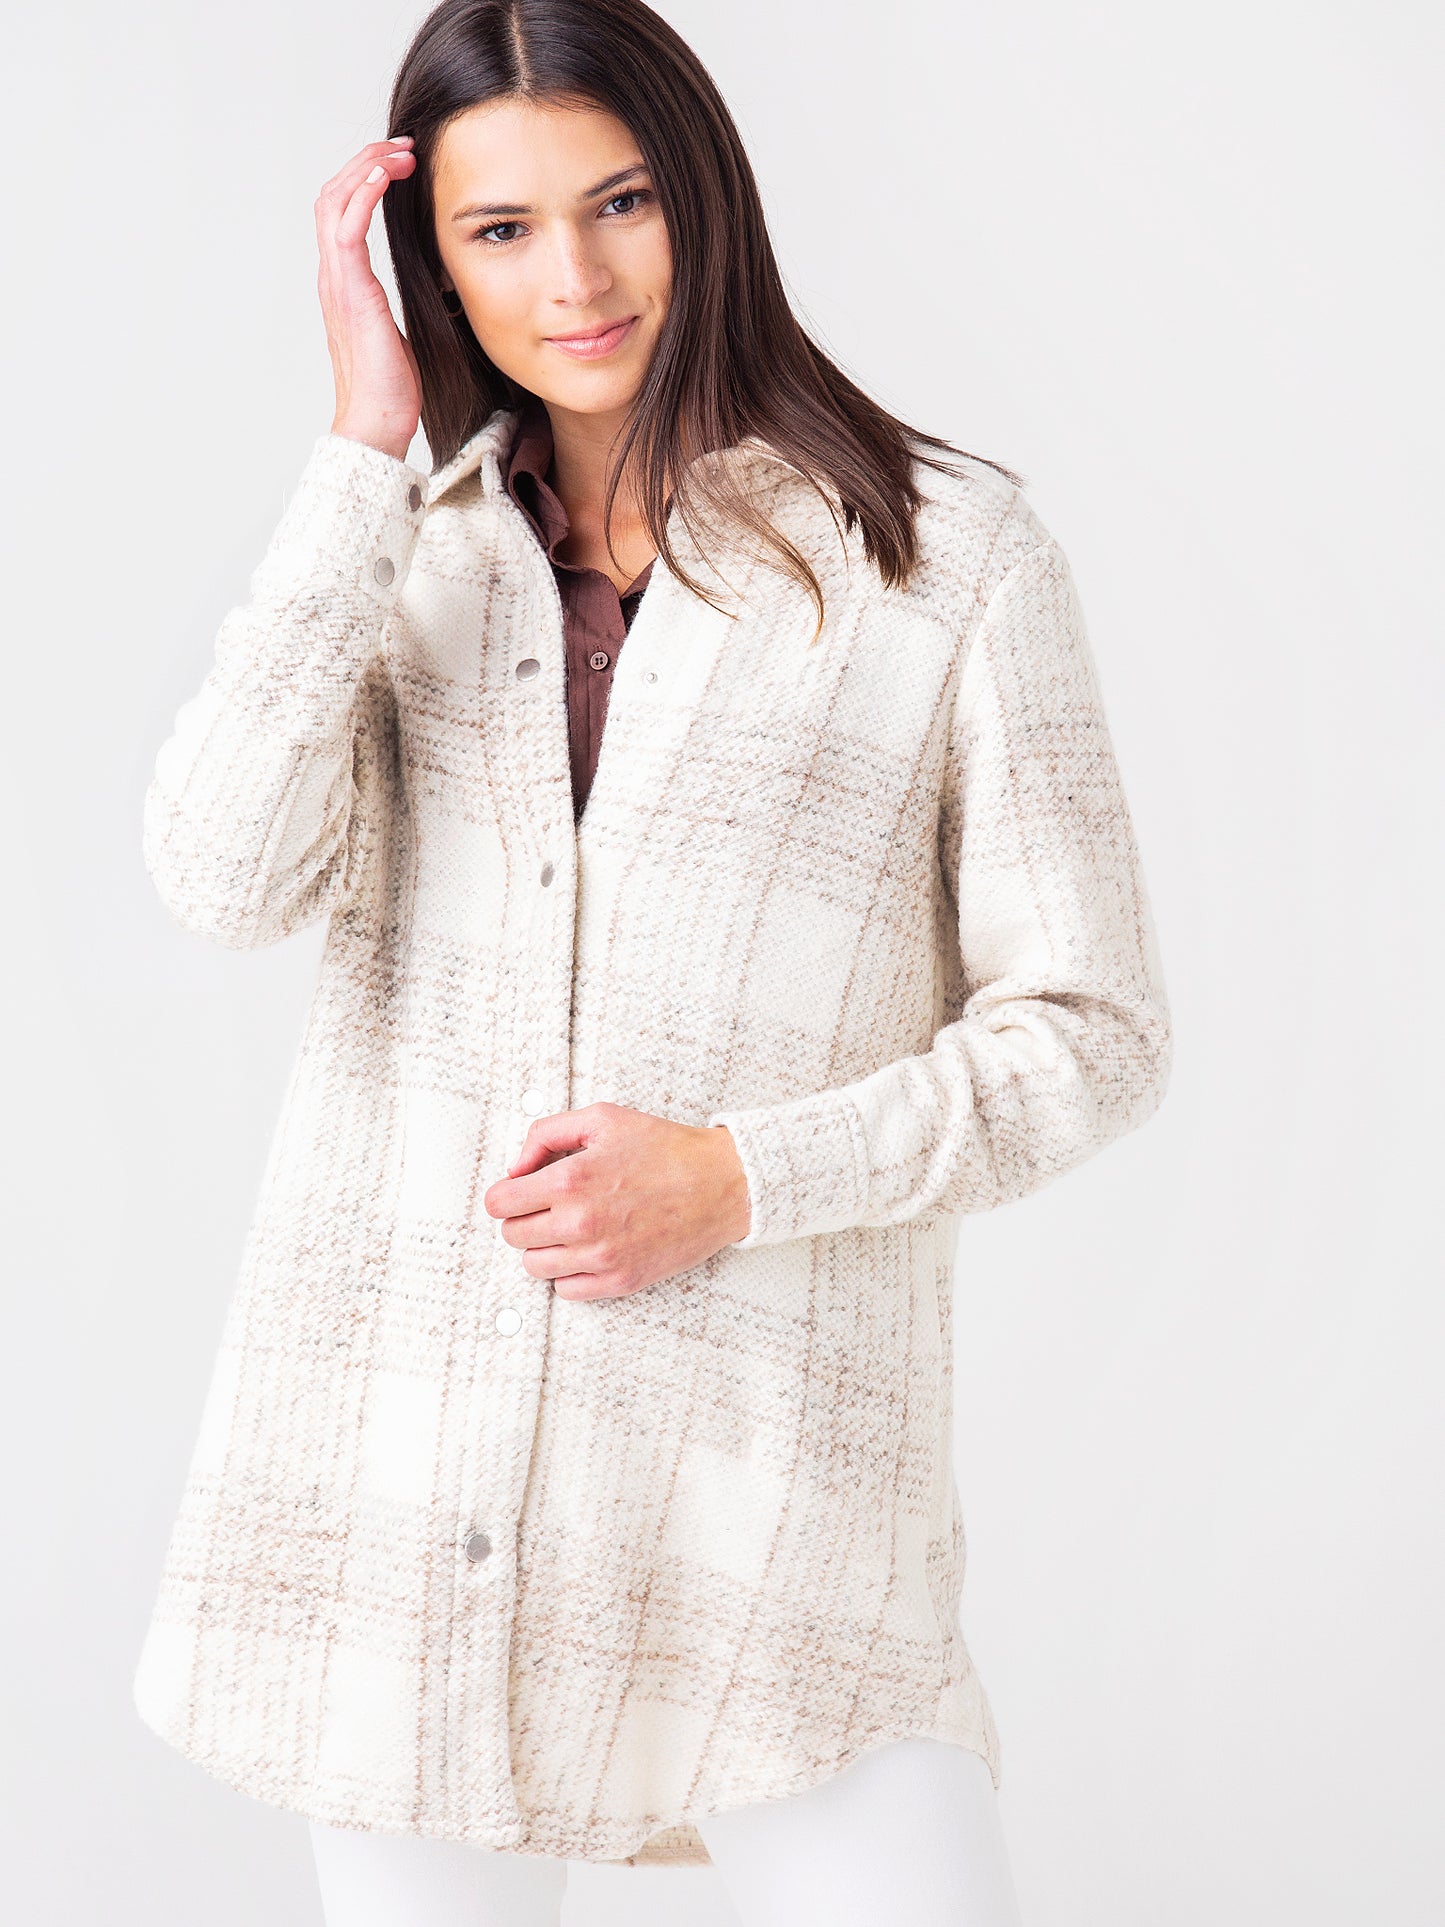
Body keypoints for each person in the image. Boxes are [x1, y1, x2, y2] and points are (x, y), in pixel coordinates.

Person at [132, 2, 1171, 1922]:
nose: (578, 279)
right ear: (431, 264)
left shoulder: (941, 561)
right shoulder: (393, 554)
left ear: (702, 192)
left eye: (618, 201)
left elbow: (1089, 1034)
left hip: (771, 1530)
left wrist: (736, 1175)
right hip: (400, 1512)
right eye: (499, 229)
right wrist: (363, 446)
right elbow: (218, 873)